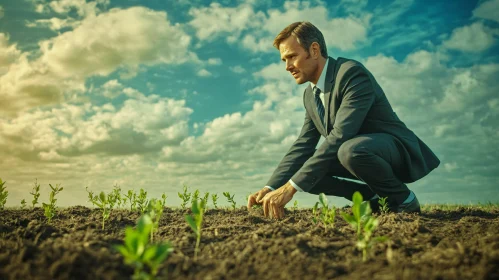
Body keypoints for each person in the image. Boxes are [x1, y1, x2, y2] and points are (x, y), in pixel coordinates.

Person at [247, 21, 440, 219]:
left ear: (314, 50)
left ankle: (403, 199)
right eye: (283, 60)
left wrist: (290, 188)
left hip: (392, 152)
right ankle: (371, 197)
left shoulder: (350, 73)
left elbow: (341, 134)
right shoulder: (309, 95)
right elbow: (303, 144)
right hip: (354, 154)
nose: (287, 67)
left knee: (350, 150)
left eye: (292, 57)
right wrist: (271, 186)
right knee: (303, 164)